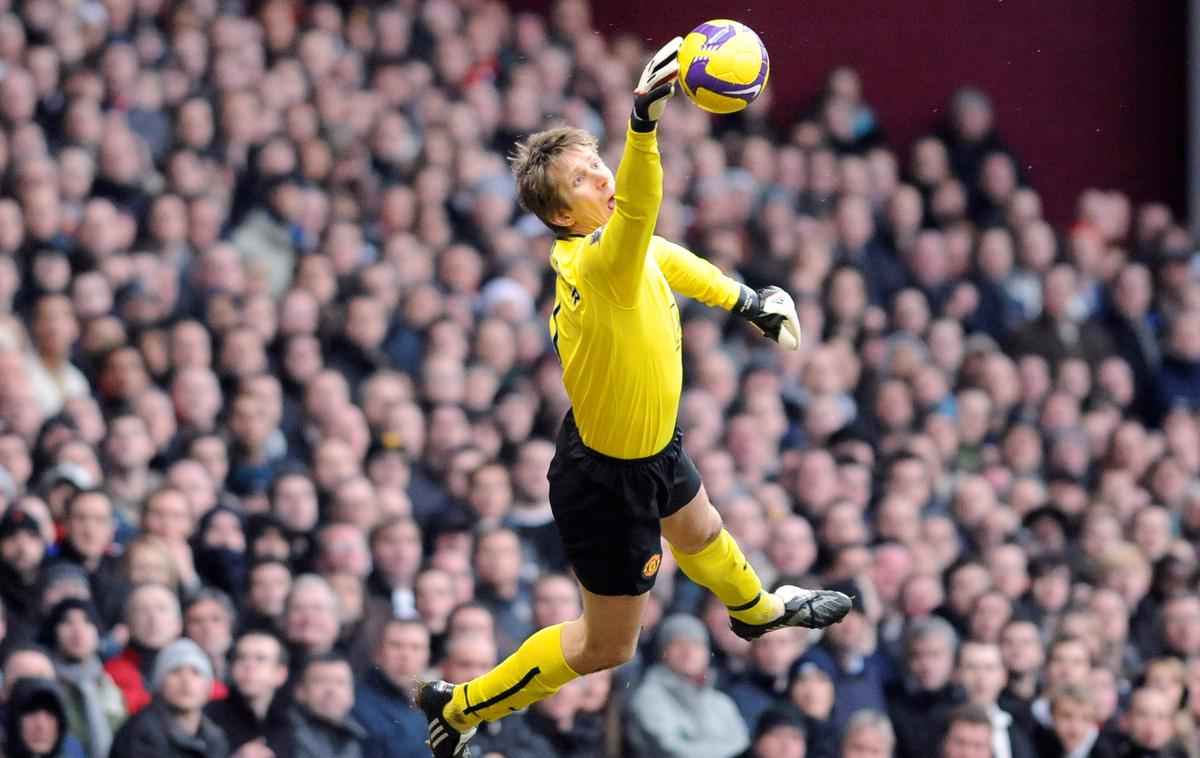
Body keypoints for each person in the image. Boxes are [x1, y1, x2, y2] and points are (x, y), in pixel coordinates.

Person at [415, 37, 849, 758]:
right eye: (586, 179)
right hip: (606, 485)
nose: (602, 179)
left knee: (703, 532)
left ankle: (758, 611)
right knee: (605, 648)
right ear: (562, 217)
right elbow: (644, 216)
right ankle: (458, 706)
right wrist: (641, 127)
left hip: (644, 446)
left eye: (596, 165)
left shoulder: (621, 248)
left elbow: (666, 253)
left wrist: (746, 298)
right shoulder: (598, 260)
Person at [626, 614, 750, 758]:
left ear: (706, 652)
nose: (688, 651)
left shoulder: (721, 702)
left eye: (695, 644)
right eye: (678, 644)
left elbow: (742, 746)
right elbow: (672, 750)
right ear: (663, 652)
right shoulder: (648, 698)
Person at [108, 638, 230, 758]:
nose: (186, 680)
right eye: (175, 671)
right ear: (159, 683)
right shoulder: (139, 734)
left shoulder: (215, 738)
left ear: (207, 687)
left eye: (195, 672)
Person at [203, 630, 293, 756]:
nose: (249, 665)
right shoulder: (207, 718)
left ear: (281, 673)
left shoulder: (291, 723)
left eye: (260, 659)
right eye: (241, 658)